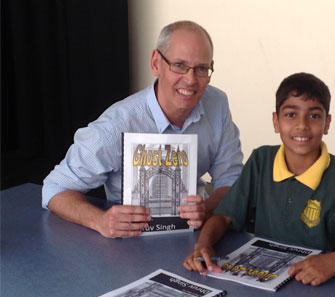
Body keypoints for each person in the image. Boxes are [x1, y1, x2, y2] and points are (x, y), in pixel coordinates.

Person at [183, 73, 335, 286]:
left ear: (327, 123)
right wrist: (203, 244)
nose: (302, 125)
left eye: (314, 116)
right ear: (276, 121)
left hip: (316, 286)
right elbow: (224, 216)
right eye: (291, 114)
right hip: (262, 282)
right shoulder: (261, 161)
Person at [42, 20, 243, 238]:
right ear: (156, 63)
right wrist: (100, 220)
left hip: (195, 235)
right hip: (130, 243)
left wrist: (207, 208)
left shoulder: (217, 104)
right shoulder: (115, 126)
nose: (191, 79)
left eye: (202, 69)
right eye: (179, 65)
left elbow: (230, 179)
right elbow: (55, 189)